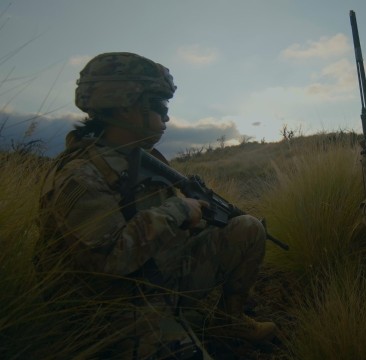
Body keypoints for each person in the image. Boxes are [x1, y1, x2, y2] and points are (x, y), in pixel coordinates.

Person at [35, 52, 277, 358]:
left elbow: (156, 226)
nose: (166, 118)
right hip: (108, 308)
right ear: (125, 106)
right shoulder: (81, 175)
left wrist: (195, 218)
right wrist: (178, 211)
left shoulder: (139, 160)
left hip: (154, 280)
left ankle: (229, 321)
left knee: (247, 228)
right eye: (160, 107)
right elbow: (108, 262)